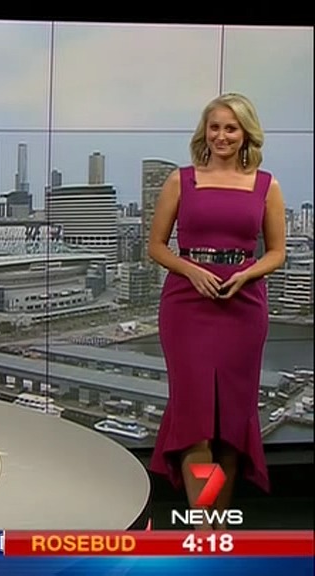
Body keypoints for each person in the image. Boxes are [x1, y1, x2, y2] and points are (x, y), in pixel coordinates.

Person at [147, 92, 286, 527]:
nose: (221, 136)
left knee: (229, 425)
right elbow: (156, 246)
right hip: (188, 305)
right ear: (203, 132)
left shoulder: (266, 185)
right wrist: (191, 270)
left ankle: (215, 526)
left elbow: (277, 252)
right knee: (195, 422)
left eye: (231, 128)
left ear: (246, 134)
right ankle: (204, 525)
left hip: (242, 306)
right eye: (215, 127)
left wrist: (246, 274)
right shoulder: (181, 181)